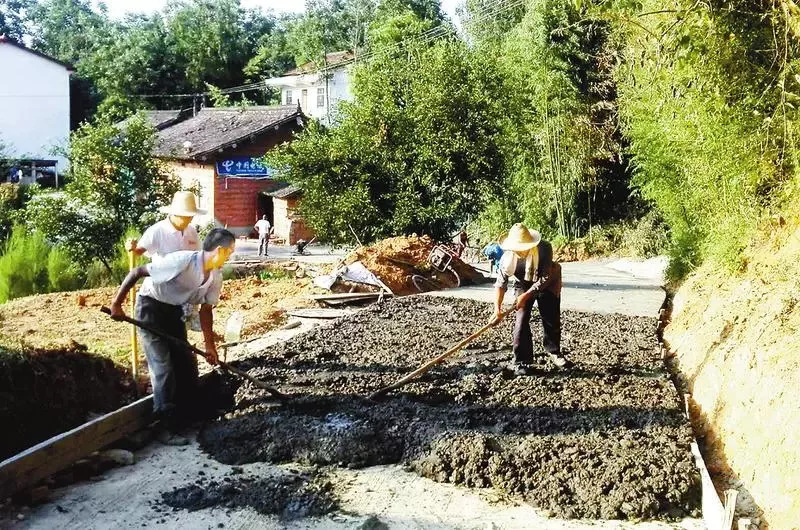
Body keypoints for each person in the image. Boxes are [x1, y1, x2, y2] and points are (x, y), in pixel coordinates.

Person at [110, 228, 236, 445]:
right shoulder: (182, 261)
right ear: (219, 250)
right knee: (163, 367)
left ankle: (187, 417)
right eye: (230, 252)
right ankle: (165, 427)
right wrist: (116, 304)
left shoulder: (215, 276)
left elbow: (206, 311)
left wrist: (210, 346)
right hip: (150, 309)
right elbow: (137, 272)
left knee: (187, 362)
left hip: (174, 313)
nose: (230, 257)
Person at [490, 223, 568, 375]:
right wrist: (497, 310)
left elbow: (545, 277)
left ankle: (554, 352)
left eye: (523, 248)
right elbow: (500, 284)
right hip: (522, 283)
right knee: (521, 320)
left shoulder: (545, 248)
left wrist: (527, 295)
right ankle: (522, 360)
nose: (520, 251)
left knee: (550, 316)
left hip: (549, 281)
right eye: (517, 248)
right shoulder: (506, 259)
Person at [127, 191, 204, 261]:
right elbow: (138, 252)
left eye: (192, 216)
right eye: (187, 217)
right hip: (164, 276)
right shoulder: (157, 231)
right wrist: (132, 249)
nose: (190, 220)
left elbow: (199, 256)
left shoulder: (192, 231)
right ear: (176, 214)